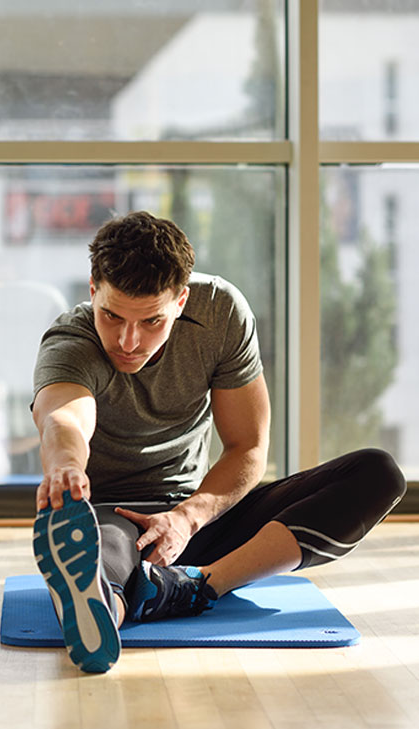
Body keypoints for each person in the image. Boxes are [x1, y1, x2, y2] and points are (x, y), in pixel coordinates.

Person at [31, 211, 406, 673]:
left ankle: (197, 585)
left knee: (377, 474)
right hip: (115, 519)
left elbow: (248, 445)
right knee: (97, 560)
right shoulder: (71, 340)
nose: (128, 340)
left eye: (151, 321)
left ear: (181, 300)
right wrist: (66, 467)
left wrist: (187, 519)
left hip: (203, 517)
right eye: (112, 316)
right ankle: (105, 610)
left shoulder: (219, 313)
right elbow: (65, 418)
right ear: (93, 290)